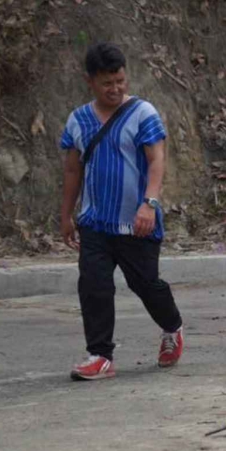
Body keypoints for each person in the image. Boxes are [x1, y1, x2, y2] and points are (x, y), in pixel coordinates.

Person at [59, 42, 184, 380]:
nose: (115, 89)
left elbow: (156, 159)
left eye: (120, 81)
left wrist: (150, 203)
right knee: (94, 285)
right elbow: (72, 171)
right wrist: (66, 214)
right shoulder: (78, 120)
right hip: (95, 221)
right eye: (107, 84)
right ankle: (100, 355)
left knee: (145, 284)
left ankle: (172, 327)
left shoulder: (143, 113)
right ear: (91, 82)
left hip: (137, 222)